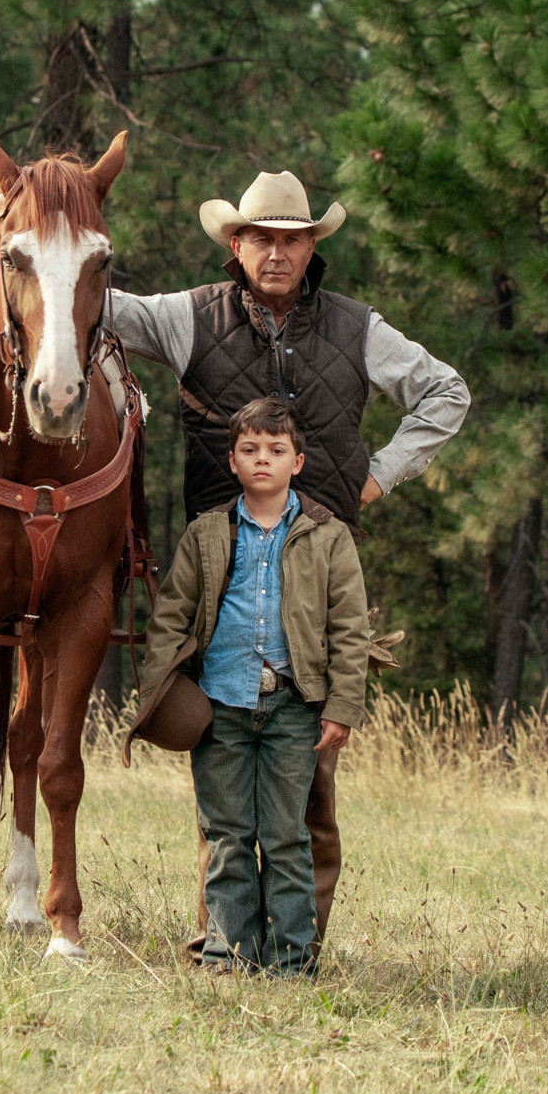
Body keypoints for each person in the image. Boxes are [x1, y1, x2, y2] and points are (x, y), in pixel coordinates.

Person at [110, 168, 469, 941]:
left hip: (315, 569)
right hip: (219, 574)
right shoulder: (186, 319)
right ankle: (224, 937)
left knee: (311, 783)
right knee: (223, 772)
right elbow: (98, 305)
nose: (276, 253)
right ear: (235, 245)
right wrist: (26, 243)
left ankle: (298, 947)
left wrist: (375, 477)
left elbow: (447, 393)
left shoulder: (356, 328)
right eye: (261, 239)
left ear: (312, 247)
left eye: (292, 240)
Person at [134, 397, 373, 973]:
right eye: (250, 450)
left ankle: (292, 960)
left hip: (296, 709)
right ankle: (227, 953)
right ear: (233, 461)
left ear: (298, 461)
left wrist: (341, 707)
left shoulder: (327, 535)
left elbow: (349, 625)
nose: (262, 459)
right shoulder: (207, 533)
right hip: (222, 708)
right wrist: (159, 696)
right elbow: (169, 619)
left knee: (288, 836)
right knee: (227, 834)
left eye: (276, 450)